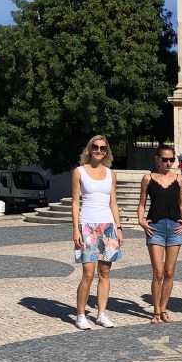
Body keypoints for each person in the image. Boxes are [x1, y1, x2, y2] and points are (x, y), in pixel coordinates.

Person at [72, 134, 123, 330]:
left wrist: (118, 228)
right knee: (88, 273)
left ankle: (101, 313)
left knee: (105, 272)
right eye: (95, 147)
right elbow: (75, 203)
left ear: (107, 151)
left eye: (102, 148)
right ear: (89, 149)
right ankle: (80, 315)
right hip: (87, 225)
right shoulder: (79, 172)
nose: (99, 151)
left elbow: (113, 203)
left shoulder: (111, 174)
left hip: (107, 226)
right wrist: (76, 229)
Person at [137, 144, 182, 324]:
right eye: (165, 159)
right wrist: (141, 220)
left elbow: (181, 204)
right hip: (155, 228)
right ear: (157, 159)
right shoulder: (148, 178)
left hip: (174, 227)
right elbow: (142, 203)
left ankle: (163, 309)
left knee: (169, 271)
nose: (168, 163)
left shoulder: (179, 179)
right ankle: (156, 311)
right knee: (158, 272)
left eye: (171, 160)